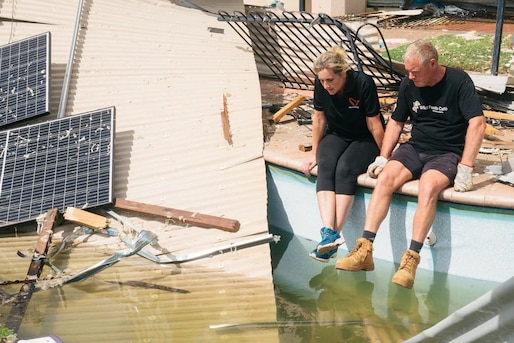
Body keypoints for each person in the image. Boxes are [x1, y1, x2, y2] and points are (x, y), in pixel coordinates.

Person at [335, 40, 486, 288]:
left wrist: (466, 167)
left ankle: (411, 260)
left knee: (428, 187)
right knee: (385, 179)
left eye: (415, 71)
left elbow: (477, 123)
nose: (410, 76)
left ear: (433, 64)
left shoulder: (459, 82)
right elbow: (395, 123)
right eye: (408, 71)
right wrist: (383, 157)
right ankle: (364, 249)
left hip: (446, 153)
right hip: (415, 148)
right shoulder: (409, 83)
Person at [301, 46, 385, 263]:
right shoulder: (321, 85)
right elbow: (319, 119)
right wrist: (315, 153)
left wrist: (385, 155)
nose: (326, 85)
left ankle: (330, 240)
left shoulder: (363, 83)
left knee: (345, 168)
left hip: (364, 138)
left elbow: (374, 123)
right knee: (326, 164)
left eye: (330, 80)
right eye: (322, 81)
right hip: (337, 133)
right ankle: (329, 233)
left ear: (342, 74)